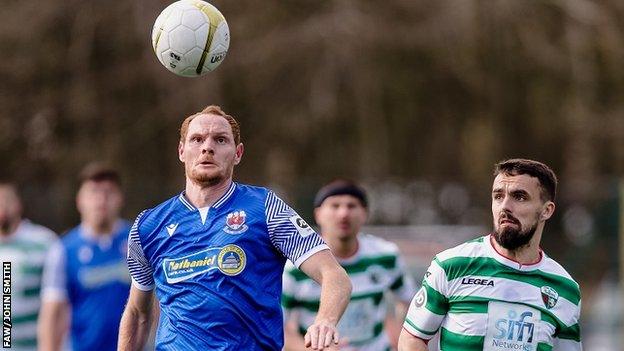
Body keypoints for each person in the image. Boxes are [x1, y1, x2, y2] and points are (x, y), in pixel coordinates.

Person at [117, 105, 352, 351]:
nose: (207, 147)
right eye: (197, 139)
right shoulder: (149, 225)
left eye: (220, 140)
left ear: (238, 153)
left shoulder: (264, 208)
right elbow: (137, 313)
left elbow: (335, 276)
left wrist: (325, 320)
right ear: (181, 151)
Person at [398, 158, 582, 351]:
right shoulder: (452, 265)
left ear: (546, 210)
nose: (505, 207)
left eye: (519, 197)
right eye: (498, 196)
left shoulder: (565, 289)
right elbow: (412, 338)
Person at [282, 179, 417, 351]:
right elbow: (279, 326)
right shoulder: (296, 267)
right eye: (335, 205)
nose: (343, 213)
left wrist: (402, 336)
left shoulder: (386, 256)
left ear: (365, 213)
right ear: (318, 214)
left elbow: (409, 302)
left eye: (351, 206)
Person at [38, 164, 132, 351]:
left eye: (108, 192)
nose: (101, 199)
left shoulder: (137, 240)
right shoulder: (64, 249)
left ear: (120, 198)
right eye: (94, 192)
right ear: (79, 200)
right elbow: (52, 312)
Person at [0, 182, 57, 351]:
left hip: (34, 345)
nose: (2, 207)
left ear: (18, 204)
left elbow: (58, 298)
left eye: (6, 201)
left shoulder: (45, 242)